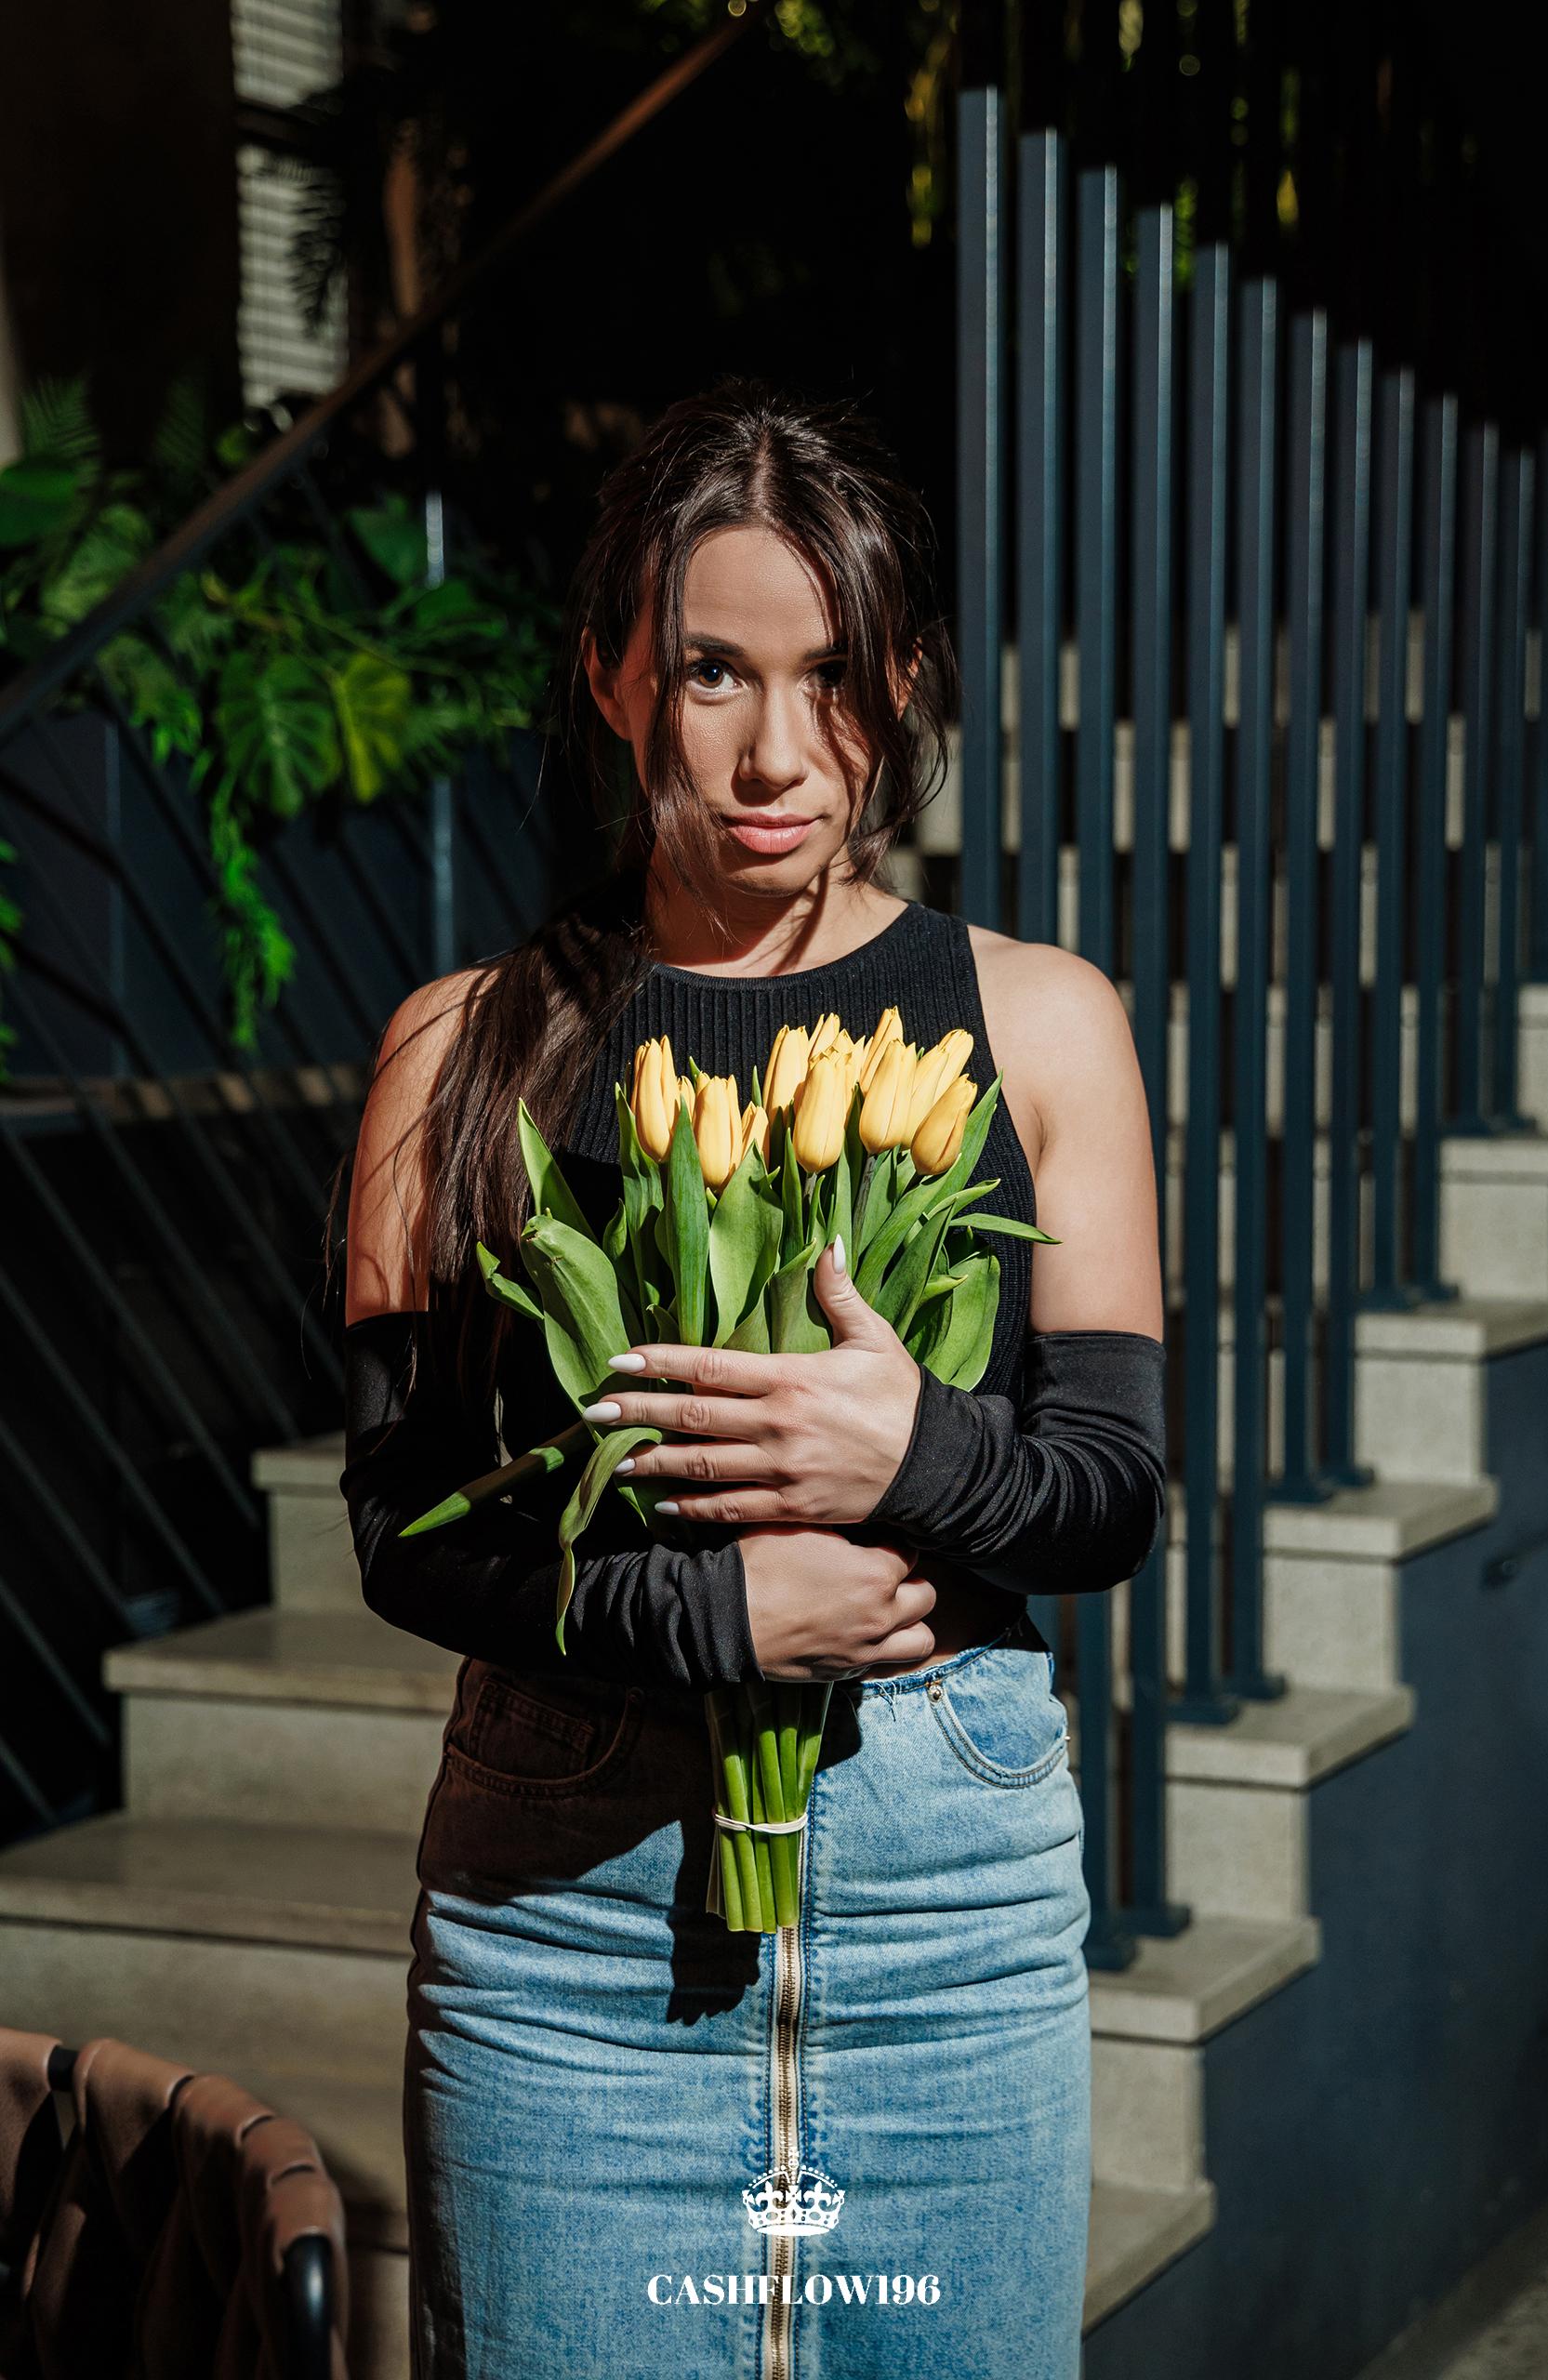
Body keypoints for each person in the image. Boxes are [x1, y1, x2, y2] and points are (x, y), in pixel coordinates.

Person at [336, 376, 1166, 2380]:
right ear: (615, 675)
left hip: (948, 1916)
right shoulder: (463, 1047)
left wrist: (912, 1449)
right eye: (714, 669)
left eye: (836, 675)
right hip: (568, 1929)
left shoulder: (1037, 1022)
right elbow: (403, 1525)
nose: (781, 751)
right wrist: (712, 1612)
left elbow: (1111, 1488)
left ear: (905, 682)